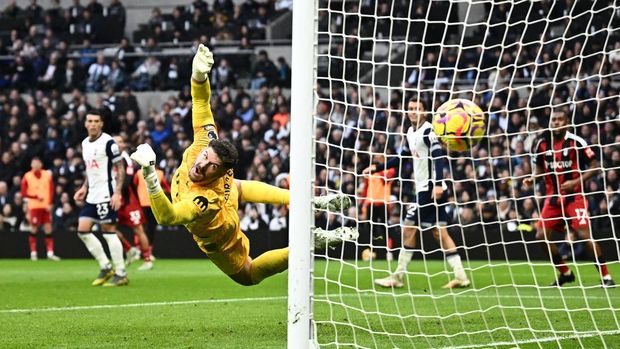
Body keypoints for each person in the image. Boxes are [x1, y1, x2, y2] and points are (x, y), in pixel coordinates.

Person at [130, 45, 356, 286]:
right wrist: (199, 77)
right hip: (229, 191)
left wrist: (150, 175)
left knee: (248, 275)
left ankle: (309, 244)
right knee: (238, 188)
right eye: (205, 156)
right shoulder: (207, 142)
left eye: (211, 166)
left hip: (219, 231)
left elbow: (168, 217)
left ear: (220, 172)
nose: (202, 164)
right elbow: (201, 103)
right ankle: (309, 200)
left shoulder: (203, 200)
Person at [370, 98, 470, 289]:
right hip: (429, 189)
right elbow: (403, 157)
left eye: (418, 109)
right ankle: (461, 276)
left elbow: (439, 156)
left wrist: (438, 184)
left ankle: (398, 277)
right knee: (440, 233)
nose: (413, 111)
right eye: (410, 108)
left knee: (408, 228)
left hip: (429, 189)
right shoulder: (410, 132)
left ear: (425, 112)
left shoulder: (428, 131)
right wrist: (378, 167)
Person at [524, 110, 615, 287]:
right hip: (552, 198)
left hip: (574, 197)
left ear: (567, 122)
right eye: (553, 120)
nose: (556, 122)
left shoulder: (577, 142)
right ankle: (565, 273)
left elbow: (595, 166)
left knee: (583, 234)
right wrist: (532, 178)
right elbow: (540, 168)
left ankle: (606, 277)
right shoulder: (542, 143)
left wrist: (576, 181)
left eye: (560, 119)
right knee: (541, 235)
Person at [73, 110, 128, 286]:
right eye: (90, 121)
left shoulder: (108, 142)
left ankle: (121, 272)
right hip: (92, 194)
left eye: (96, 121)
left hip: (107, 193)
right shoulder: (85, 144)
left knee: (109, 232)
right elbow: (91, 169)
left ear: (101, 123)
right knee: (82, 230)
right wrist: (84, 187)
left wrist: (117, 193)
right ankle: (105, 266)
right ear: (85, 123)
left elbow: (120, 167)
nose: (93, 124)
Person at [113, 135, 153, 271]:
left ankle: (147, 259)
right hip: (115, 200)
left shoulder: (126, 159)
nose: (117, 144)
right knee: (107, 228)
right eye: (114, 142)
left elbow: (127, 181)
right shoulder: (111, 159)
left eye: (119, 142)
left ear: (123, 145)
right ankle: (130, 250)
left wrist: (116, 192)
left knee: (138, 229)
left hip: (128, 202)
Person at [20, 157, 61, 261]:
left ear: (41, 164)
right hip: (34, 206)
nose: (36, 165)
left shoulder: (47, 175)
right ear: (31, 165)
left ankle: (50, 253)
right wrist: (35, 197)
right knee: (34, 228)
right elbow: (23, 193)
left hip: (46, 206)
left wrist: (51, 203)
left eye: (38, 163)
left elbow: (51, 190)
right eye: (34, 163)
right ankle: (33, 253)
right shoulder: (27, 176)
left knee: (48, 228)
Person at [134, 164, 170, 257]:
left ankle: (139, 250)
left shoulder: (139, 173)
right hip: (154, 204)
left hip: (142, 204)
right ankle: (148, 252)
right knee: (151, 229)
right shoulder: (160, 173)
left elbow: (133, 186)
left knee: (140, 228)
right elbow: (167, 189)